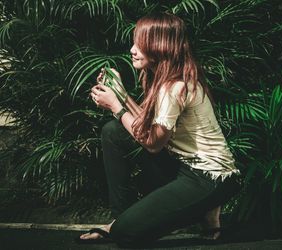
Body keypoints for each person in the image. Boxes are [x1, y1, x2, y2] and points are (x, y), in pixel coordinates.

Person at [78, 12, 241, 247]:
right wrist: (121, 93)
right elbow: (147, 125)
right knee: (114, 131)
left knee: (125, 234)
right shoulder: (169, 77)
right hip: (182, 164)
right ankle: (119, 217)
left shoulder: (174, 86)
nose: (132, 49)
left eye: (140, 44)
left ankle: (204, 206)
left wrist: (116, 106)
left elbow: (153, 143)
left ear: (160, 46)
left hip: (209, 177)